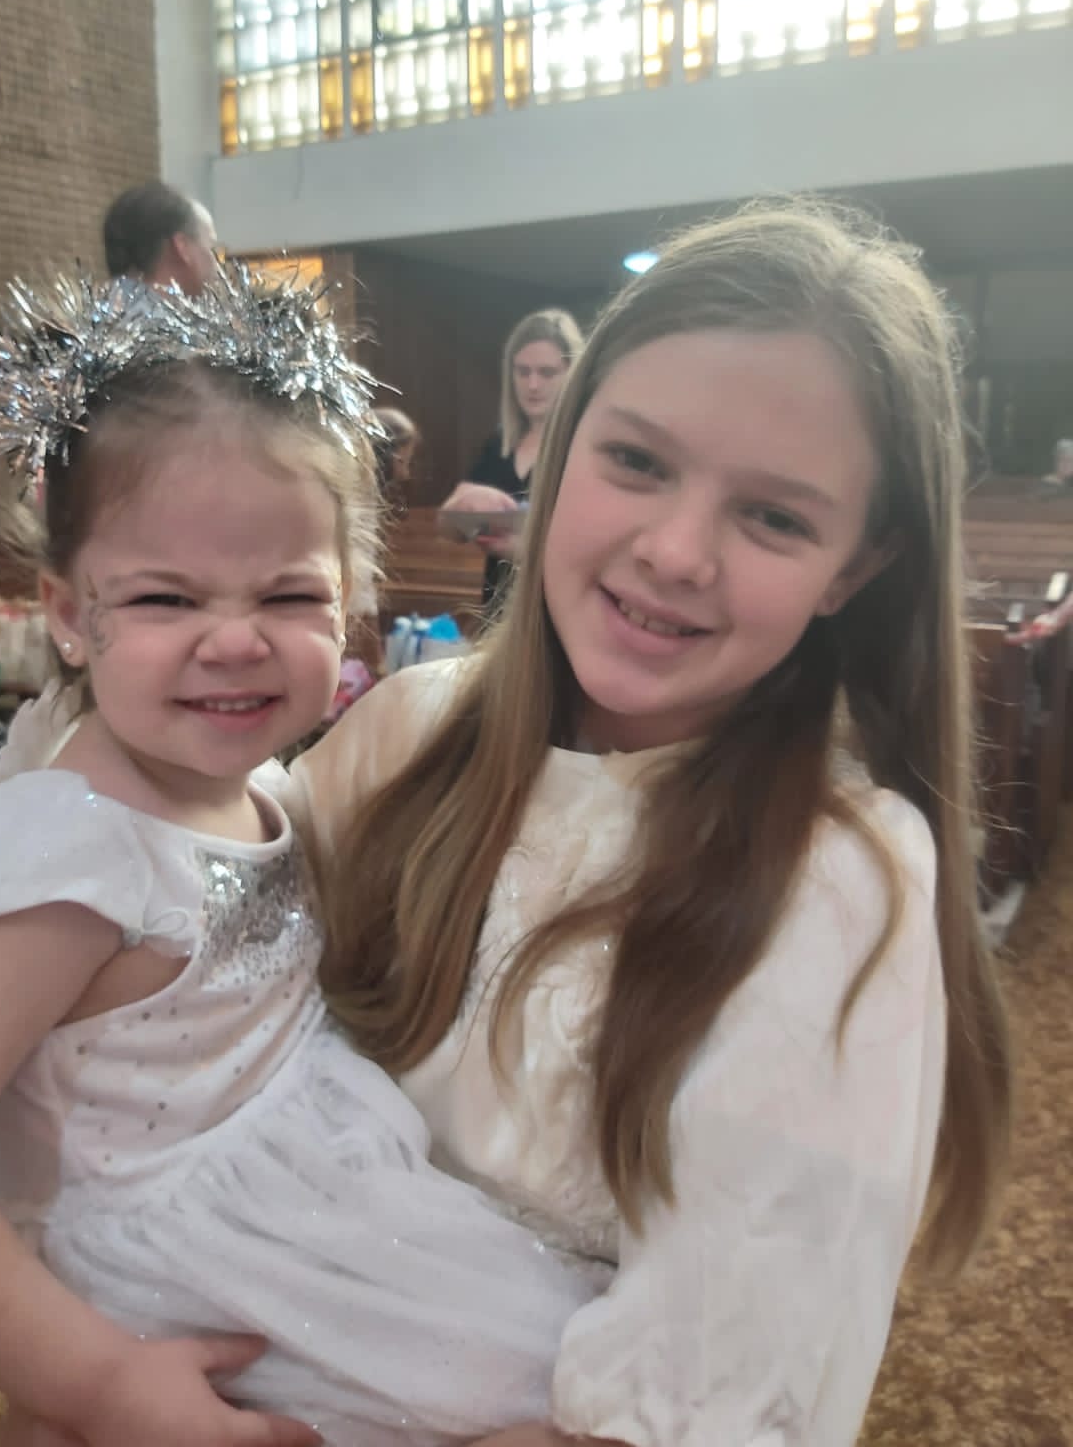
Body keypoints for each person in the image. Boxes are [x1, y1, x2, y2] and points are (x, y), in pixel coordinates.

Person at [293, 200, 1013, 1447]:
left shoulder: (834, 881)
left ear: (853, 569)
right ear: (560, 444)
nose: (678, 551)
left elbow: (711, 1403)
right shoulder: (404, 733)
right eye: (636, 460)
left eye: (774, 517)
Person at [0, 271, 594, 1447]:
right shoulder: (72, 846)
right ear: (69, 613)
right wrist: (101, 1386)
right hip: (192, 1283)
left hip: (329, 1195)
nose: (235, 639)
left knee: (595, 1377)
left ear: (350, 601)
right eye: (166, 597)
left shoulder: (260, 788)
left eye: (289, 593)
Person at [440, 308, 582, 609]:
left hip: (554, 610)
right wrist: (463, 507)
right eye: (522, 371)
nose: (532, 385)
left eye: (546, 373)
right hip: (498, 607)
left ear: (572, 374)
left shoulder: (583, 446)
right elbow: (448, 529)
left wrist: (527, 552)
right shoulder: (501, 443)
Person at [102, 179, 219, 296]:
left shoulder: (107, 304)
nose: (218, 266)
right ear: (182, 246)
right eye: (212, 248)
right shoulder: (156, 306)